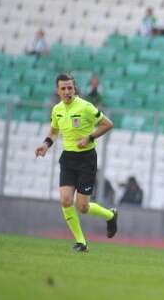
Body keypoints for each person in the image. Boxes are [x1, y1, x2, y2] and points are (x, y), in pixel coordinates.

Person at [34, 74, 118, 253]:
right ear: (57, 91)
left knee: (82, 207)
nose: (66, 92)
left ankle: (110, 215)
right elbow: (54, 131)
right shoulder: (57, 109)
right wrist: (45, 144)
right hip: (68, 158)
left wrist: (89, 137)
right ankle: (81, 242)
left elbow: (108, 124)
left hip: (87, 159)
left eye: (69, 88)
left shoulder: (86, 107)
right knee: (65, 200)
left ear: (75, 89)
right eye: (63, 88)